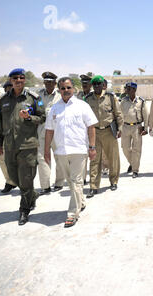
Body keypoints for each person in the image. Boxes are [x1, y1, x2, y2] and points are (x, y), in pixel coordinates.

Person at [0, 68, 46, 225]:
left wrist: (29, 117)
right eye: (15, 78)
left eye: (21, 77)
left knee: (26, 179)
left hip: (27, 145)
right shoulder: (4, 100)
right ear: (10, 80)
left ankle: (24, 210)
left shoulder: (34, 98)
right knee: (14, 178)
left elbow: (43, 117)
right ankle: (32, 196)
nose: (18, 80)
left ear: (24, 80)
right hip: (9, 146)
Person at [44, 77, 98, 228]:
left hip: (79, 150)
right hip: (61, 151)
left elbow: (91, 127)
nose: (66, 91)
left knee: (75, 181)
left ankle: (72, 213)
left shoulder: (82, 106)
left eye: (68, 87)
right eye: (63, 88)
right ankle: (80, 201)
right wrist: (46, 150)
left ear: (73, 89)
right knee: (71, 182)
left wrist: (92, 147)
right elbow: (49, 130)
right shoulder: (55, 108)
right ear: (59, 90)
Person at [84, 75, 124, 198]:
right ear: (92, 86)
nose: (97, 86)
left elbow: (118, 114)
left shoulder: (110, 97)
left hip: (108, 131)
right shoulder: (87, 99)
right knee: (94, 159)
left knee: (113, 159)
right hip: (94, 132)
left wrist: (120, 129)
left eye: (99, 84)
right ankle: (94, 186)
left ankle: (114, 181)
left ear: (103, 85)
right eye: (94, 84)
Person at [37, 71, 65, 195]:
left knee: (59, 157)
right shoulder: (37, 96)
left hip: (57, 130)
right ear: (44, 83)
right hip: (42, 130)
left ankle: (59, 182)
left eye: (51, 82)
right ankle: (45, 186)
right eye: (46, 82)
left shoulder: (60, 96)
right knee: (42, 158)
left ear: (55, 83)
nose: (48, 84)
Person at [120, 82, 149, 178]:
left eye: (129, 89)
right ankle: (132, 163)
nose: (127, 90)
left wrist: (145, 128)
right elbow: (119, 115)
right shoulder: (123, 101)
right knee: (125, 148)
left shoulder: (141, 101)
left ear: (134, 90)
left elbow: (146, 115)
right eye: (126, 88)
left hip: (137, 127)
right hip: (125, 127)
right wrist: (119, 128)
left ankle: (135, 170)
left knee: (137, 150)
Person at [76, 73, 93, 184]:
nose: (84, 85)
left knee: (93, 152)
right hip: (80, 128)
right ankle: (83, 177)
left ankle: (95, 175)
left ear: (90, 85)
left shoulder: (94, 95)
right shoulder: (78, 96)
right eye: (83, 83)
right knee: (82, 153)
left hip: (92, 128)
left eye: (86, 83)